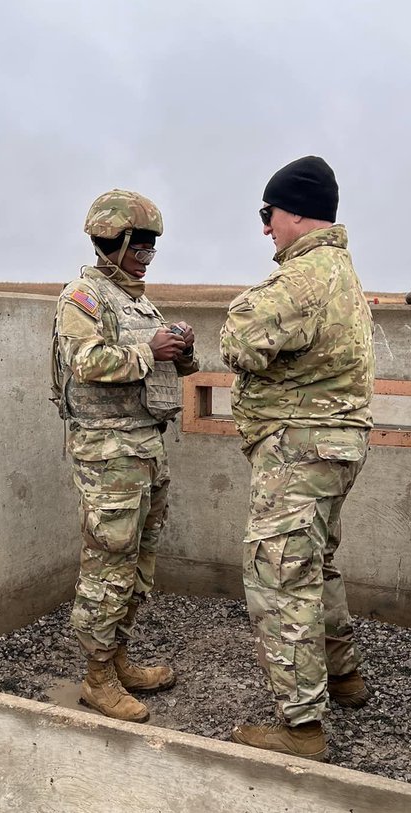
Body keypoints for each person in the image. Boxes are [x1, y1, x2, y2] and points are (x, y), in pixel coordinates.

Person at [219, 156, 375, 761]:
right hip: (337, 447)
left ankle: (301, 728)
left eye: (269, 214)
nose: (266, 229)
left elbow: (240, 342)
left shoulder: (303, 278)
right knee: (317, 564)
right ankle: (343, 677)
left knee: (280, 578)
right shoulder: (342, 272)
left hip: (299, 448)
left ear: (295, 212)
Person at [52, 190, 198, 722]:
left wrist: (180, 350)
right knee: (108, 563)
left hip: (146, 447)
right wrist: (148, 350)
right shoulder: (83, 297)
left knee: (139, 562)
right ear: (112, 239)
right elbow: (86, 362)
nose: (146, 254)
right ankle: (96, 678)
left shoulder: (138, 302)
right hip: (108, 452)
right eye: (140, 244)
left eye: (152, 246)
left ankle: (118, 661)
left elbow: (169, 366)